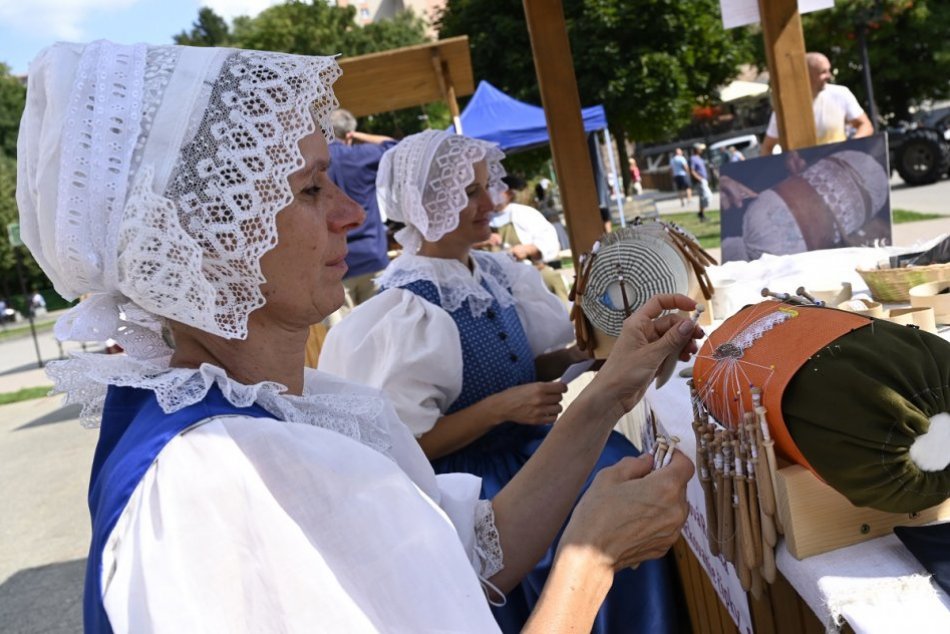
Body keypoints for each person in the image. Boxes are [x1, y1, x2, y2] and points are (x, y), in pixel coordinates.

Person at [17, 41, 699, 633]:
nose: (350, 214)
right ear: (208, 237)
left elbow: (474, 552)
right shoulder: (215, 482)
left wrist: (611, 389)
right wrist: (590, 560)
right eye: (312, 189)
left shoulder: (287, 408)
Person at [319, 129, 685, 633]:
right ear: (430, 205)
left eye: (485, 186)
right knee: (580, 518)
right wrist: (500, 409)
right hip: (481, 483)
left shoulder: (493, 272)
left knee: (622, 472)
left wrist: (583, 354)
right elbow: (404, 443)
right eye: (469, 193)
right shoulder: (404, 309)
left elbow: (518, 364)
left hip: (529, 450)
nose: (489, 202)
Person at [328, 108, 397, 309]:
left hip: (336, 262)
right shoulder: (362, 156)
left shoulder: (317, 161)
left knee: (344, 337)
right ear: (348, 134)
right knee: (380, 329)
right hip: (373, 254)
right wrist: (355, 135)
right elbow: (394, 146)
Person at [760, 52, 874, 156]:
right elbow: (768, 147)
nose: (829, 76)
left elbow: (865, 125)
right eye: (823, 72)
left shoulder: (840, 94)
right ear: (806, 75)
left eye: (829, 70)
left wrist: (850, 145)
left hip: (838, 165)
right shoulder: (786, 106)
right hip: (805, 173)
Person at [489, 174, 569, 303]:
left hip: (531, 271)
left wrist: (530, 249)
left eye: (498, 190)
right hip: (497, 281)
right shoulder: (482, 220)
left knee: (550, 279)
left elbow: (549, 240)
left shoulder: (525, 213)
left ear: (509, 193)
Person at [689, 145, 712, 222]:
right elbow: (692, 170)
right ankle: (701, 214)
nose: (701, 150)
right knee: (706, 196)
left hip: (704, 180)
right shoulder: (693, 158)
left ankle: (701, 214)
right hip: (700, 181)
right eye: (700, 149)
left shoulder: (700, 158)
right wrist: (699, 179)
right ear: (696, 149)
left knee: (703, 198)